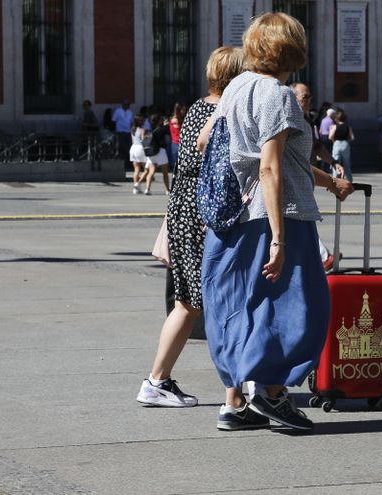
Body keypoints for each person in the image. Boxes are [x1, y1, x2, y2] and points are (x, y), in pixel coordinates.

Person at [200, 13, 348, 432]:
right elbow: (270, 166)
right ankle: (272, 393)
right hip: (279, 214)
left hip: (237, 214)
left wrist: (327, 181)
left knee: (245, 304)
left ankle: (237, 404)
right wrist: (280, 241)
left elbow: (206, 140)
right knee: (302, 307)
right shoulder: (277, 94)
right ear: (292, 50)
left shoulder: (235, 87)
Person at [136, 47, 246, 410]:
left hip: (183, 208)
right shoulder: (223, 112)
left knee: (187, 302)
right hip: (204, 212)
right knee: (223, 300)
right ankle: (239, 393)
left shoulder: (198, 107)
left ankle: (157, 380)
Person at [289, 82, 354, 272]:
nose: (309, 100)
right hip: (296, 175)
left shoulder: (307, 121)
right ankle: (322, 256)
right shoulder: (289, 120)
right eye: (305, 97)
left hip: (308, 175)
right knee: (301, 217)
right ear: (293, 98)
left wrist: (334, 163)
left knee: (302, 217)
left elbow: (317, 147)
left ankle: (318, 256)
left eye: (310, 96)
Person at [144, 114, 171, 195]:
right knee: (165, 172)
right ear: (159, 120)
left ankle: (147, 189)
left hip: (151, 152)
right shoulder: (162, 129)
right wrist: (166, 125)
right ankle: (167, 190)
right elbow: (168, 132)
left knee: (151, 172)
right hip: (161, 151)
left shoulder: (149, 129)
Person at [329, 109, 355, 181]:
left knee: (335, 162)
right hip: (345, 144)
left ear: (336, 118)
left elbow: (330, 137)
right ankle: (349, 181)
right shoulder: (347, 126)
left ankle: (335, 180)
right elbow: (352, 137)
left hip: (337, 144)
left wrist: (334, 140)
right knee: (346, 163)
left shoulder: (334, 126)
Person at [113, 100, 134, 169]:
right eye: (126, 104)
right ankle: (121, 164)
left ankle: (128, 164)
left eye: (128, 104)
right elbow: (114, 120)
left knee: (128, 148)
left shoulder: (130, 112)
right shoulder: (118, 111)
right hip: (120, 132)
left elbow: (131, 122)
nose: (127, 106)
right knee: (121, 148)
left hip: (128, 132)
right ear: (123, 104)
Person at [129, 115, 147, 194]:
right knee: (147, 169)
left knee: (136, 169)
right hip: (140, 148)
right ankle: (138, 183)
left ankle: (135, 188)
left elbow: (132, 140)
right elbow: (143, 140)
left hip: (133, 148)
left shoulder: (132, 129)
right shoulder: (142, 129)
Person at [168, 102, 187, 173]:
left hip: (175, 143)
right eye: (183, 110)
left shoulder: (173, 119)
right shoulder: (176, 120)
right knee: (179, 165)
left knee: (177, 165)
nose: (185, 111)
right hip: (178, 143)